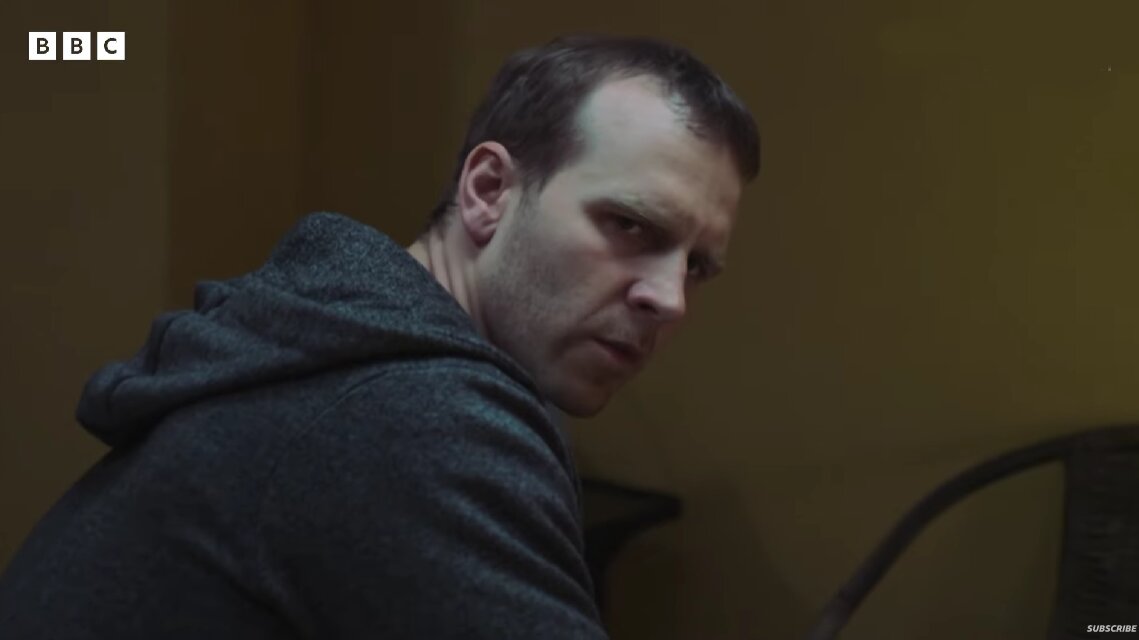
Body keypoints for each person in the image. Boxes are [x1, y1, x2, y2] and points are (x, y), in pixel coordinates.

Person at [0, 34, 759, 638]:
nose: (669, 300)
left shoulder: (346, 351)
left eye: (696, 266)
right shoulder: (417, 415)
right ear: (489, 191)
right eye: (629, 225)